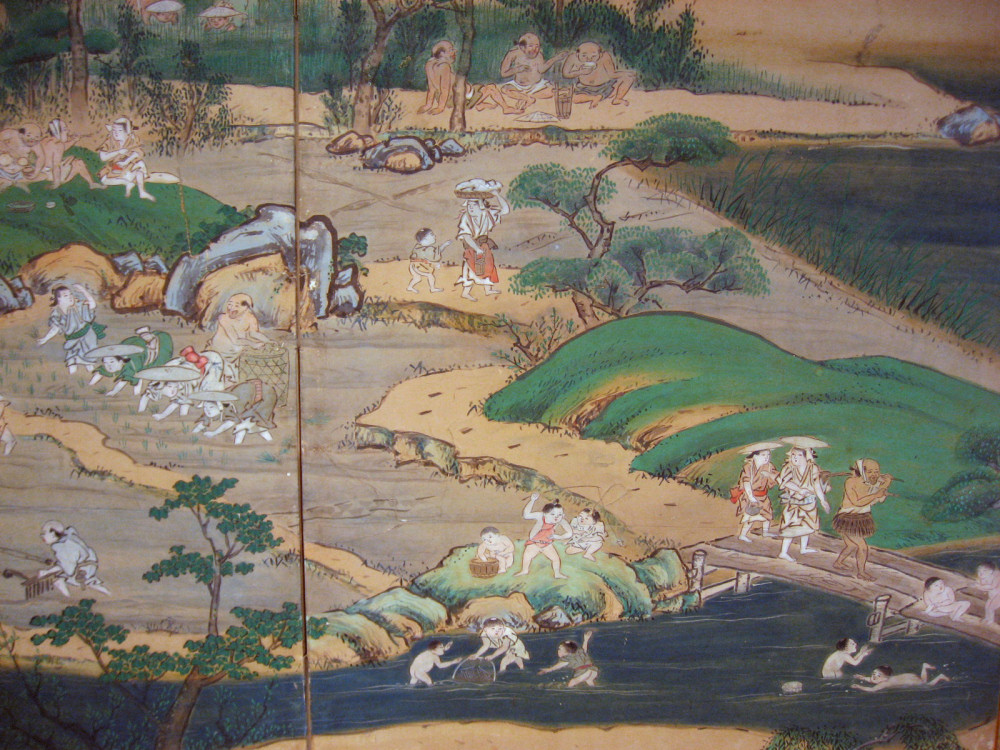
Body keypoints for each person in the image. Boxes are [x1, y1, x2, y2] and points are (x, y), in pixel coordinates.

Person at [832, 459, 894, 582]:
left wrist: (884, 488)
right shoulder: (851, 482)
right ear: (861, 471)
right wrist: (878, 492)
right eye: (870, 471)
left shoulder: (873, 484)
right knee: (862, 547)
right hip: (847, 518)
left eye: (876, 471)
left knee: (851, 545)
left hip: (861, 517)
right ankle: (861, 573)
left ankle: (838, 562)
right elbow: (857, 502)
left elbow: (876, 500)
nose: (874, 474)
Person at [455, 179, 509, 301]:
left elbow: (505, 210)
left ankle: (488, 289)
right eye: (469, 205)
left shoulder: (487, 214)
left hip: (483, 245)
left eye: (473, 205)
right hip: (471, 246)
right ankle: (465, 292)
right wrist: (476, 249)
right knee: (471, 269)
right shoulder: (466, 218)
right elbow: (466, 236)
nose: (471, 208)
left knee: (489, 266)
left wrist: (497, 195)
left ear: (481, 206)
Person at [776, 442, 830, 562]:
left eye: (799, 455)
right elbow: (785, 483)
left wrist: (823, 500)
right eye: (793, 454)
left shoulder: (813, 468)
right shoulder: (789, 467)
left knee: (807, 525)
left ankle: (803, 548)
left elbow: (816, 485)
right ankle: (783, 552)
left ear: (806, 456)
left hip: (809, 503)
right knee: (791, 527)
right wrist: (799, 490)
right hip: (794, 503)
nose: (795, 457)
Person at [37, 284, 105, 374]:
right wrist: (45, 338)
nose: (70, 297)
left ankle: (91, 376)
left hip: (87, 337)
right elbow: (55, 328)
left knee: (88, 360)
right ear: (58, 299)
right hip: (72, 339)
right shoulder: (57, 313)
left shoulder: (79, 305)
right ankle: (71, 376)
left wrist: (84, 291)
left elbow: (92, 305)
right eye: (66, 295)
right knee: (72, 360)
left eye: (70, 294)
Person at [25, 119, 103, 190]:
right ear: (58, 132)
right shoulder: (58, 144)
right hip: (51, 175)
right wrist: (56, 183)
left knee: (71, 159)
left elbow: (61, 149)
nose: (68, 132)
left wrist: (74, 140)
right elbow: (56, 166)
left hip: (42, 172)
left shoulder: (46, 141)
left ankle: (92, 184)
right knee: (79, 163)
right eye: (65, 129)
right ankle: (91, 184)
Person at [38, 521, 110, 597]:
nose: (41, 536)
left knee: (59, 579)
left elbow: (69, 570)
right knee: (90, 582)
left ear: (53, 534)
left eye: (44, 533)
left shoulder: (62, 547)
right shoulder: (69, 538)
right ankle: (108, 593)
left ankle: (67, 597)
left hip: (82, 569)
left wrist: (47, 572)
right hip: (89, 565)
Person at [498, 33, 568, 110]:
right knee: (505, 89)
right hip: (518, 86)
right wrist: (517, 69)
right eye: (531, 46)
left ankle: (527, 97)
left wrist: (556, 58)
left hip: (537, 86)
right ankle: (527, 98)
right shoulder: (513, 54)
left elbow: (541, 70)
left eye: (537, 46)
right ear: (522, 47)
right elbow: (503, 73)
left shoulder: (539, 55)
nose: (534, 49)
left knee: (552, 91)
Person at [205, 293, 270, 376]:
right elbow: (235, 340)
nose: (231, 308)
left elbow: (254, 333)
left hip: (236, 353)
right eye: (229, 304)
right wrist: (253, 344)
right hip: (218, 352)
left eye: (236, 306)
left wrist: (268, 341)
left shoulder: (251, 318)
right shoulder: (223, 318)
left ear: (246, 308)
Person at [514, 493, 572, 579]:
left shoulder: (561, 520)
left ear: (563, 515)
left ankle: (557, 574)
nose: (556, 517)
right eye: (552, 514)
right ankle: (524, 570)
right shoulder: (540, 516)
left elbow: (569, 533)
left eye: (560, 514)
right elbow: (526, 515)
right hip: (534, 542)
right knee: (527, 556)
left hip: (547, 544)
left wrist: (557, 537)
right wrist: (532, 500)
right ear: (545, 514)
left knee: (555, 559)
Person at [561, 41, 637, 107]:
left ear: (600, 55)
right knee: (573, 98)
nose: (589, 59)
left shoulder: (605, 57)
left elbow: (612, 74)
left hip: (606, 86)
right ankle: (594, 98)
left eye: (594, 56)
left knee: (628, 78)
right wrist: (581, 72)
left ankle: (618, 99)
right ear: (577, 54)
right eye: (584, 55)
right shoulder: (572, 58)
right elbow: (565, 74)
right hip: (584, 88)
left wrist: (626, 73)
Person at [732, 442, 780, 542]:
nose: (766, 457)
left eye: (768, 454)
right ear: (755, 456)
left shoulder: (769, 466)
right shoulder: (748, 467)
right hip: (750, 495)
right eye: (763, 455)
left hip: (763, 495)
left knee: (767, 514)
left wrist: (769, 475)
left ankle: (765, 532)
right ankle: (743, 534)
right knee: (750, 514)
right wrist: (751, 497)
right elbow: (746, 482)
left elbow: (776, 477)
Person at [98, 117, 154, 201]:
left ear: (126, 132)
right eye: (114, 130)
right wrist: (118, 152)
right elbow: (103, 157)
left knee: (140, 167)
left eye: (119, 130)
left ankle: (141, 192)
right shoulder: (110, 141)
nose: (116, 133)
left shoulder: (132, 140)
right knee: (106, 179)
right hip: (114, 169)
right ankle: (127, 183)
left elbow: (138, 152)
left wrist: (126, 161)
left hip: (127, 167)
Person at [419, 41, 456, 115]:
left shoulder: (429, 64)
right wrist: (440, 108)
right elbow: (444, 89)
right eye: (450, 50)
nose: (454, 52)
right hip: (455, 98)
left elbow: (431, 88)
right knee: (481, 90)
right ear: (442, 53)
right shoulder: (444, 66)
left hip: (446, 97)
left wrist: (428, 105)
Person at [407, 228, 449, 293]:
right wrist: (444, 245)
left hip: (414, 265)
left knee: (417, 278)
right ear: (425, 239)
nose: (434, 236)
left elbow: (435, 254)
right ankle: (432, 288)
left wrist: (444, 245)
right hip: (419, 265)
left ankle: (410, 287)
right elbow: (434, 257)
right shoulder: (428, 249)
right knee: (430, 275)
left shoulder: (418, 247)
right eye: (432, 234)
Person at [852, 664, 950, 692]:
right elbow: (872, 679)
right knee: (922, 679)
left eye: (878, 675)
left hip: (910, 680)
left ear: (885, 678)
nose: (874, 676)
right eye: (874, 673)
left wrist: (859, 687)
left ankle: (940, 677)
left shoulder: (885, 683)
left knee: (927, 685)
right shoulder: (884, 680)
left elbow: (872, 689)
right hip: (908, 676)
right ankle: (924, 667)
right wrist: (862, 678)